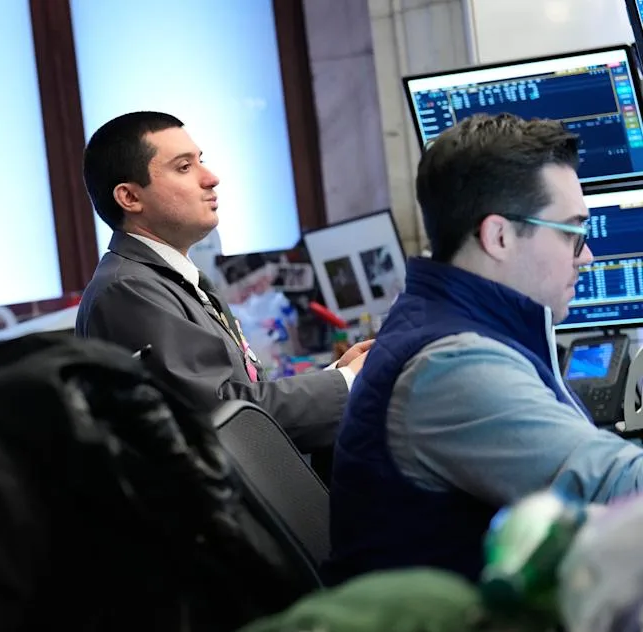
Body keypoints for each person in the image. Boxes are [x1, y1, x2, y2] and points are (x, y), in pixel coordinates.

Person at [326, 113, 643, 585]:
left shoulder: (443, 321)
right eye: (572, 233)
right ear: (499, 236)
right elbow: (617, 489)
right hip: (468, 629)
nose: (587, 256)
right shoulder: (452, 365)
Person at [75, 111, 368, 452]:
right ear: (130, 197)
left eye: (201, 161)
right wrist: (348, 381)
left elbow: (243, 392)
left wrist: (337, 372)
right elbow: (226, 420)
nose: (211, 178)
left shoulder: (171, 276)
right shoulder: (128, 289)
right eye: (184, 167)